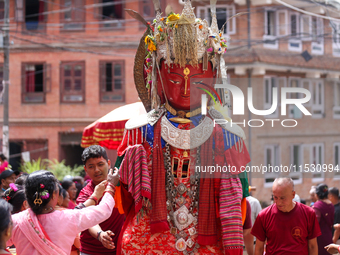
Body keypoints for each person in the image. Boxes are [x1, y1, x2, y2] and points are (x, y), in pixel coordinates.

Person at [115, 1, 251, 254]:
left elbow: (239, 200)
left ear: (213, 78)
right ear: (157, 77)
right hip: (155, 231)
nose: (187, 89)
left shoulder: (229, 134)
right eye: (176, 79)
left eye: (199, 81)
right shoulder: (139, 131)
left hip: (207, 235)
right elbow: (124, 198)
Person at [7, 169, 119, 255]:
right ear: (54, 195)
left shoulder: (15, 220)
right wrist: (111, 186)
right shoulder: (69, 218)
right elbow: (104, 210)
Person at [251, 177, 321, 255]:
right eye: (275, 197)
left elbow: (312, 246)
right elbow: (259, 248)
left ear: (293, 194)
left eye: (282, 198)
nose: (278, 202)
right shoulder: (264, 215)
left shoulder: (308, 213)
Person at [76, 145, 125, 255]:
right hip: (90, 251)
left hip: (118, 249)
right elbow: (88, 218)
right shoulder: (85, 194)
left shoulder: (121, 185)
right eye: (91, 166)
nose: (97, 170)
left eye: (100, 164)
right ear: (86, 169)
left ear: (108, 163)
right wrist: (100, 234)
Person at [313, 184, 335, 255]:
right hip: (329, 236)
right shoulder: (331, 205)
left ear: (317, 194)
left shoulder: (317, 206)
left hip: (319, 240)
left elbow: (314, 223)